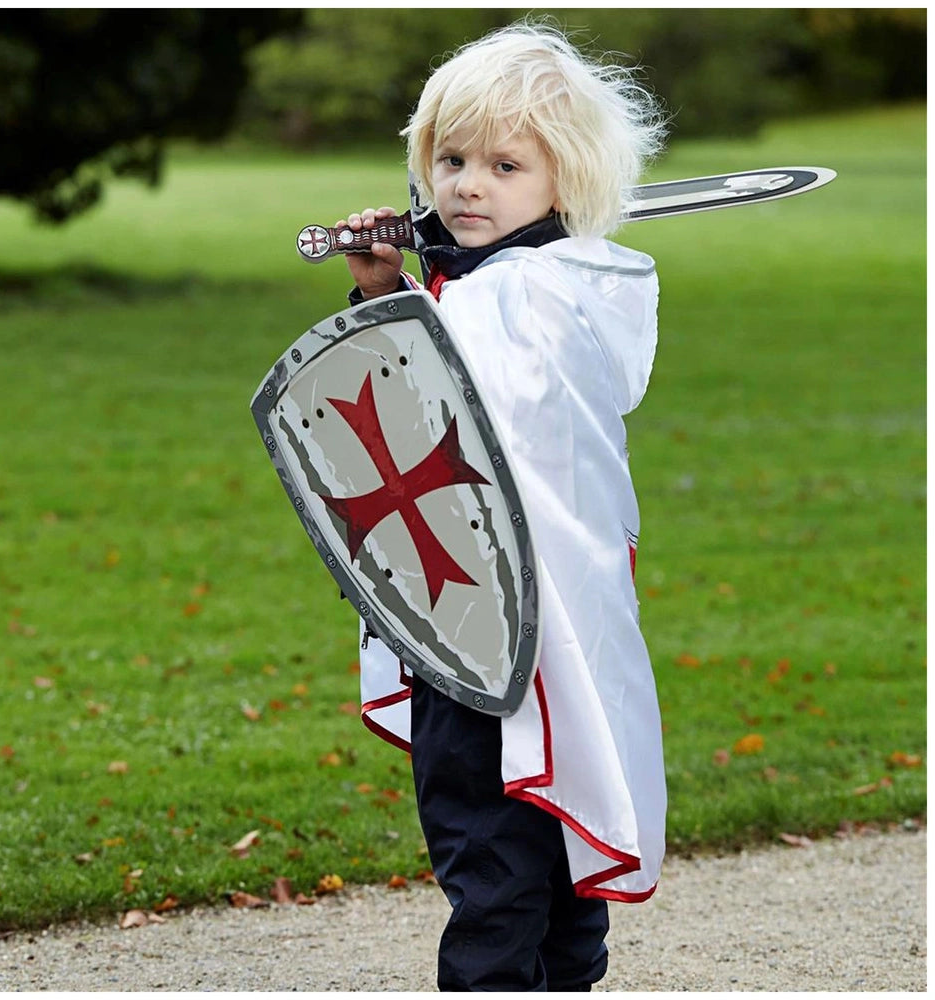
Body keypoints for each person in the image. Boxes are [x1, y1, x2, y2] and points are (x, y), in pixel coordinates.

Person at [337, 22, 667, 992]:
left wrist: (401, 297)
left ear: (563, 183)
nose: (467, 185)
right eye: (449, 159)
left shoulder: (514, 300)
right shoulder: (575, 285)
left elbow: (423, 401)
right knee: (556, 865)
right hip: (557, 638)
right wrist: (394, 288)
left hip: (484, 639)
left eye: (503, 164)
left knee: (494, 877)